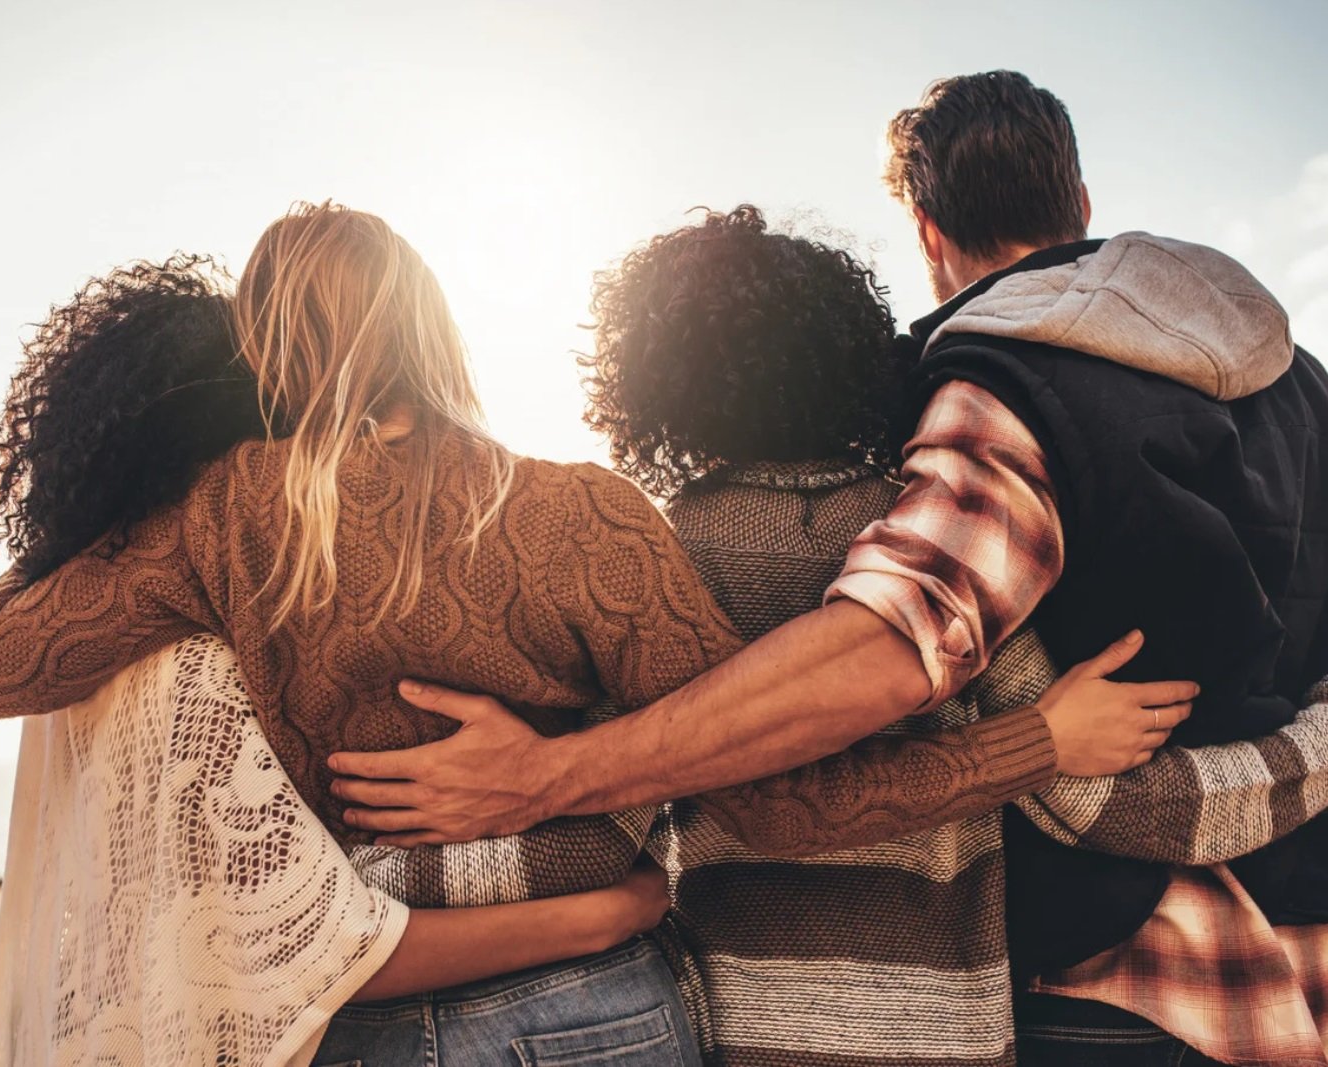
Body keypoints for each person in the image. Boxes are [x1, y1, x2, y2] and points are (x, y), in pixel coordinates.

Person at [0, 209, 1170, 1066]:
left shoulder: (217, 515)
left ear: (259, 340)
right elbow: (783, 802)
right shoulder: (574, 513)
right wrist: (1036, 741)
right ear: (438, 331)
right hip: (597, 1011)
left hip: (366, 1016)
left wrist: (111, 482)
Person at [331, 74, 1328, 1065]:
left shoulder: (989, 391)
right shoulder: (1301, 385)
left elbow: (892, 649)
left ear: (929, 233)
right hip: (1269, 954)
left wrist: (529, 788)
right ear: (1080, 201)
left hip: (1098, 973)